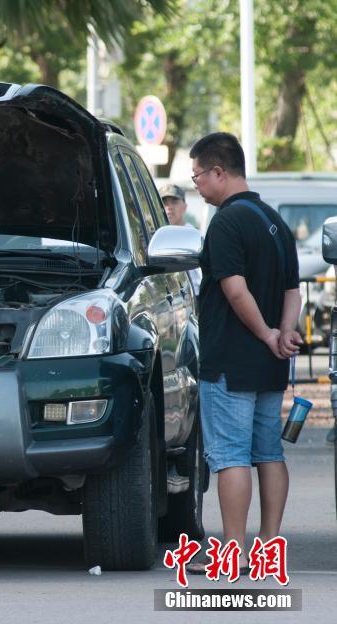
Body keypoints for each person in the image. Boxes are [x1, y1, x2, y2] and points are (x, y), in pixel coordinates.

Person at [185, 132, 301, 575]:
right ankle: (269, 550)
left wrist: (268, 333)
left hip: (232, 359)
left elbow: (234, 291)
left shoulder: (227, 223)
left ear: (219, 172)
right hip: (269, 363)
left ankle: (231, 556)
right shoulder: (275, 220)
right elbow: (293, 290)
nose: (195, 183)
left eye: (197, 175)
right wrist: (283, 334)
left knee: (231, 456)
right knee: (269, 452)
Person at [159, 183, 202, 296]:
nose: (169, 207)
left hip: (190, 298)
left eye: (174, 202)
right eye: (164, 202)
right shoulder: (156, 235)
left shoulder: (192, 235)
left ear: (185, 207)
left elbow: (201, 275)